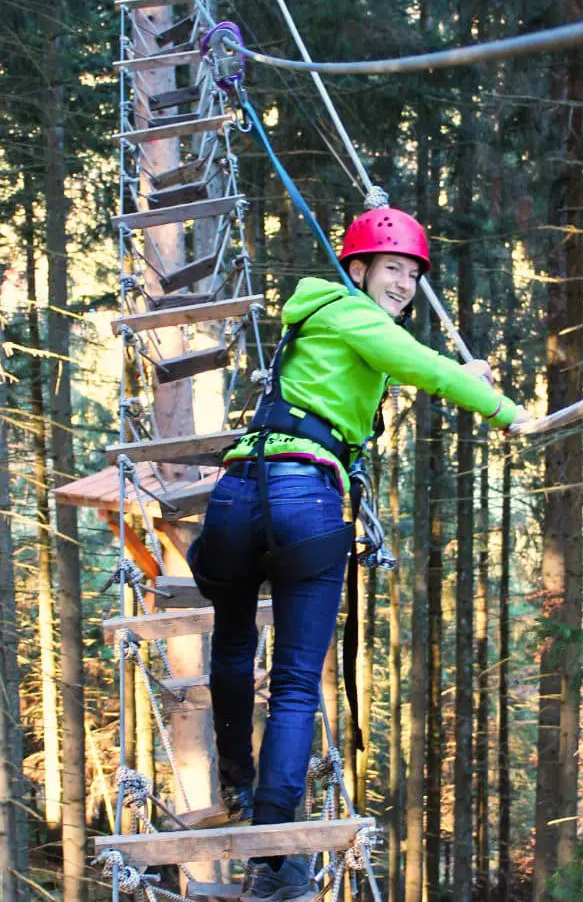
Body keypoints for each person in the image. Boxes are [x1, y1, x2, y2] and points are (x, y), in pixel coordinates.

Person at [187, 207, 529, 902]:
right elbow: (423, 366)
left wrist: (477, 377)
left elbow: (403, 366)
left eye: (411, 272)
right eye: (392, 268)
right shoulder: (354, 314)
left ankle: (238, 785)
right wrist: (507, 411)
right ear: (357, 269)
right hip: (299, 497)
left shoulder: (324, 322)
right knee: (291, 682)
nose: (404, 283)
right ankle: (275, 859)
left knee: (231, 648)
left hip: (235, 490)